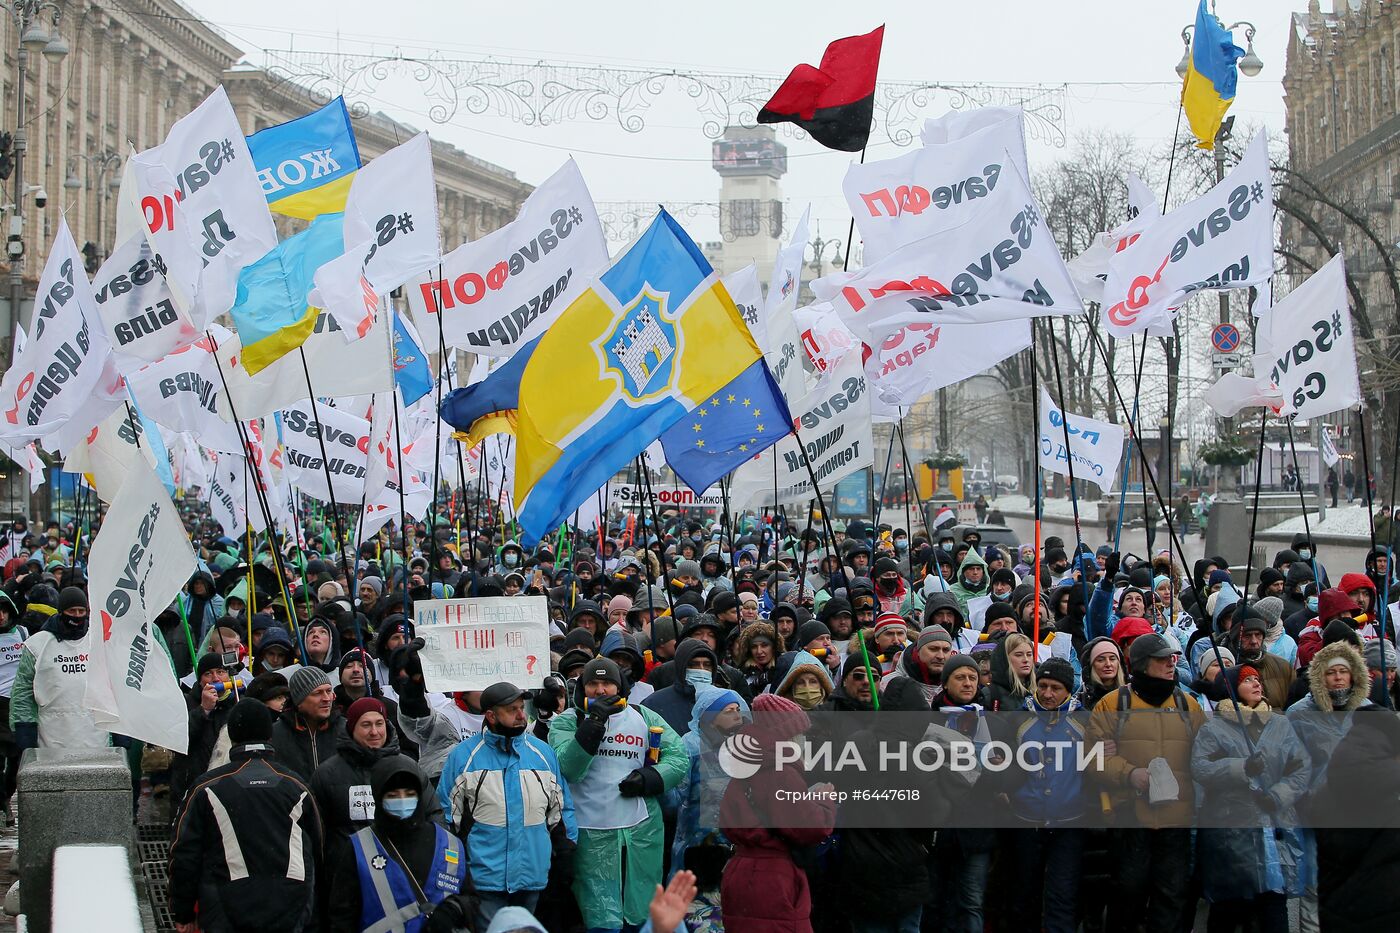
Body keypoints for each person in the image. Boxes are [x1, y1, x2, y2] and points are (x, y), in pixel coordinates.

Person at [548, 657, 688, 933]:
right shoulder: (567, 722)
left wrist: (651, 778)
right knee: (601, 919)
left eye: (608, 683)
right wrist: (594, 722)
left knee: (642, 914)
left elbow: (678, 759)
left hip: (641, 830)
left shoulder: (644, 716)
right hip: (591, 830)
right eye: (593, 684)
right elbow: (569, 768)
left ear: (620, 687)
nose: (601, 690)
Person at [169, 699, 324, 933]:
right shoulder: (298, 786)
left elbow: (184, 854)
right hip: (292, 904)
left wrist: (183, 911)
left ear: (231, 735)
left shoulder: (207, 787)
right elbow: (318, 849)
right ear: (270, 735)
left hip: (225, 904)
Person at [1087, 633, 1204, 933]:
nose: (1171, 663)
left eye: (1172, 657)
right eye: (1162, 658)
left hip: (1176, 822)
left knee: (1172, 896)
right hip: (1130, 818)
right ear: (1141, 664)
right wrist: (1129, 774)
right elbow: (1092, 758)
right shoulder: (1111, 705)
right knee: (1127, 893)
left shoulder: (1188, 705)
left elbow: (1205, 757)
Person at [438, 681, 577, 926]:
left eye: (522, 707)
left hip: (533, 875)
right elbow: (447, 820)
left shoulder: (544, 754)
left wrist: (566, 853)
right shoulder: (463, 757)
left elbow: (562, 811)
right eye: (512, 709)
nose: (521, 715)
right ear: (491, 715)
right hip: (484, 880)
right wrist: (455, 873)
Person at [1191, 665, 1311, 933]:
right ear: (1231, 689)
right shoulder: (1215, 729)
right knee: (1227, 911)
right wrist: (1241, 768)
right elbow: (1200, 768)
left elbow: (1301, 767)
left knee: (1273, 908)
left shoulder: (1280, 724)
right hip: (1232, 838)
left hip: (1274, 833)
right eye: (1247, 680)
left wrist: (1279, 795)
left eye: (1258, 679)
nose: (1257, 684)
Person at [718, 694, 837, 933]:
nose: (804, 739)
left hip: (740, 871)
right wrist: (825, 803)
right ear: (787, 735)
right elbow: (806, 827)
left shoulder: (748, 764)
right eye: (800, 733)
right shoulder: (780, 770)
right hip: (773, 877)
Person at [328, 756, 478, 933]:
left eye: (409, 794)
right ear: (379, 797)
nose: (401, 800)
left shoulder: (449, 844)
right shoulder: (359, 847)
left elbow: (472, 899)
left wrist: (453, 908)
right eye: (392, 795)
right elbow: (342, 915)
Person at [9, 586, 110, 749]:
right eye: (72, 611)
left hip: (95, 733)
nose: (77, 616)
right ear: (61, 611)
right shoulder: (37, 645)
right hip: (52, 735)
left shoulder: (98, 641)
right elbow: (23, 691)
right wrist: (24, 729)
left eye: (81, 611)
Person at [270, 666, 345, 780]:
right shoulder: (275, 734)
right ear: (299, 701)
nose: (326, 698)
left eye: (329, 691)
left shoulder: (346, 730)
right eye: (317, 693)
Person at [0, 591, 28, 823]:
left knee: (17, 758)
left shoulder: (22, 633)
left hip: (18, 703)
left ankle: (6, 796)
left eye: (4, 610)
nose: (0, 616)